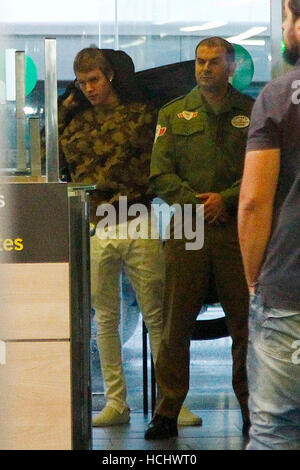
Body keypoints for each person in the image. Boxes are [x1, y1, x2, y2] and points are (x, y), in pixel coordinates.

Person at [58, 47, 199, 427]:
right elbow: (56, 160)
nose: (89, 89)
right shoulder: (71, 117)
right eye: (82, 82)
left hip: (138, 215)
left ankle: (170, 405)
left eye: (95, 80)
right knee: (104, 318)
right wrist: (67, 101)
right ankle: (116, 403)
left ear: (110, 77)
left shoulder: (142, 113)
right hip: (97, 221)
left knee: (156, 316)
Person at [145, 37, 254, 440]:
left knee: (245, 325)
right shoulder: (173, 113)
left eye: (213, 62)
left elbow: (262, 172)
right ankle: (167, 410)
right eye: (199, 62)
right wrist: (196, 202)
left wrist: (224, 199)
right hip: (187, 226)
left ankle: (251, 407)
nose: (205, 68)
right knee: (176, 322)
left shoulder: (251, 111)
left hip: (236, 228)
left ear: (229, 66)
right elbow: (160, 174)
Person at [238, 0, 300, 450]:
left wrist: (252, 280)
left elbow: (254, 202)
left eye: (286, 18)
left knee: (276, 432)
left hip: (289, 294)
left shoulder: (279, 96)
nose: (284, 28)